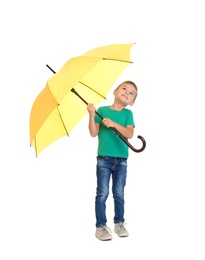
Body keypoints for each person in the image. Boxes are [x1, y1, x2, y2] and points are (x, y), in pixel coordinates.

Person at [87, 80, 138, 241]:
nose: (127, 93)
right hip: (104, 159)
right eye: (124, 89)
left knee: (119, 193)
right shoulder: (101, 110)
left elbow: (129, 134)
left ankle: (119, 223)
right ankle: (100, 226)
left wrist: (113, 123)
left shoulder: (127, 115)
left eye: (131, 93)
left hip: (121, 160)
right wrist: (91, 114)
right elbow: (94, 133)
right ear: (115, 91)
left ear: (132, 102)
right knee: (102, 193)